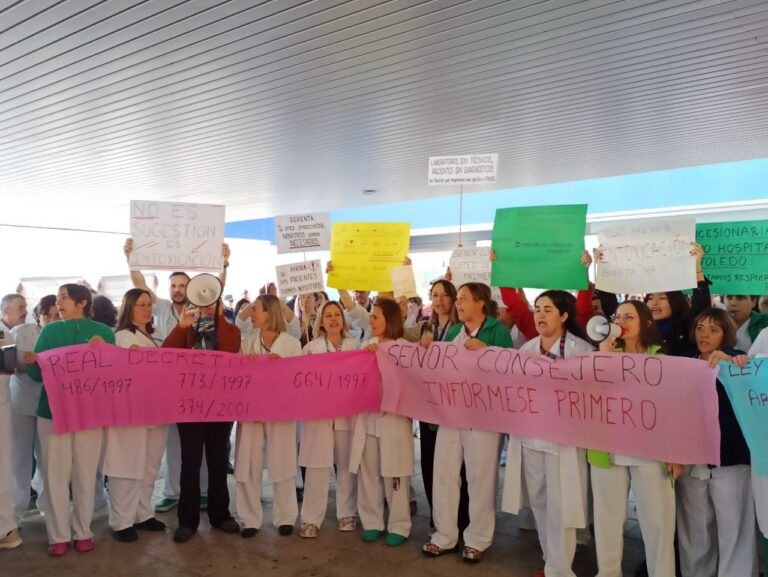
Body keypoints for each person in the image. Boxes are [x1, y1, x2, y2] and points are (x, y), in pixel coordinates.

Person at [124, 239, 230, 512]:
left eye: (182, 285)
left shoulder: (203, 307)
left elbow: (217, 286)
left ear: (191, 287)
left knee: (200, 446)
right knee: (173, 443)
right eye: (173, 286)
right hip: (166, 385)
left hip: (199, 387)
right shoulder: (159, 307)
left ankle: (203, 492)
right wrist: (131, 258)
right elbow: (139, 284)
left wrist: (224, 264)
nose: (177, 290)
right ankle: (172, 492)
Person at [501, 291, 594, 577]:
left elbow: (592, 395)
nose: (540, 315)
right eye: (537, 309)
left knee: (561, 504)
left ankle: (560, 569)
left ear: (564, 316)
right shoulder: (527, 350)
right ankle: (550, 560)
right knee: (539, 500)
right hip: (531, 438)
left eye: (548, 310)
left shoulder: (581, 351)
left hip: (563, 442)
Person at [588, 300, 681, 577]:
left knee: (658, 525)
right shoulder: (602, 354)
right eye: (617, 316)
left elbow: (674, 409)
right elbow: (588, 398)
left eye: (629, 316)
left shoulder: (662, 359)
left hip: (652, 453)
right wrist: (601, 360)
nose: (621, 321)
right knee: (607, 522)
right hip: (608, 451)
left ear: (646, 323)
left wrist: (675, 453)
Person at [423, 283, 513, 563]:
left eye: (463, 299)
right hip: (452, 414)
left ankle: (478, 539)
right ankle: (445, 535)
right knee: (444, 473)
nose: (458, 303)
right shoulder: (453, 332)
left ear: (481, 303)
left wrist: (488, 351)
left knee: (480, 478)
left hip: (483, 417)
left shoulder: (497, 331)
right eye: (458, 299)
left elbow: (510, 370)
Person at [24, 284, 116, 556]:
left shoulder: (104, 333)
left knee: (85, 474)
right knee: (54, 475)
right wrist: (32, 363)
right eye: (58, 298)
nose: (59, 303)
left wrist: (106, 352)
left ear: (82, 302)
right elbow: (37, 376)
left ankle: (83, 532)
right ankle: (58, 536)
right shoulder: (49, 331)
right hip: (52, 413)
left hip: (90, 413)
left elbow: (113, 374)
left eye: (64, 297)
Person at [675, 308, 757, 577]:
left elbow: (751, 388)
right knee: (695, 530)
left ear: (725, 333)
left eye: (713, 329)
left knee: (734, 529)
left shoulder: (737, 360)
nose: (704, 335)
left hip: (731, 458)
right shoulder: (684, 361)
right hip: (693, 459)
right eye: (700, 328)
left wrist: (733, 364)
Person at [162, 295, 241, 543]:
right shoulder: (185, 327)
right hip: (190, 406)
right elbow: (166, 353)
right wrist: (182, 326)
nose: (206, 306)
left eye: (211, 302)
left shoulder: (230, 327)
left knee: (218, 461)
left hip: (220, 405)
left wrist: (219, 318)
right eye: (201, 301)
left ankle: (220, 515)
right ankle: (187, 521)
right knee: (190, 463)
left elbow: (231, 347)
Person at [402, 280, 469, 533]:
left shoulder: (462, 328)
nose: (439, 300)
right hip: (429, 407)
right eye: (435, 295)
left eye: (444, 295)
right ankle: (437, 516)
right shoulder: (424, 327)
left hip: (455, 407)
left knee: (457, 467)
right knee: (430, 463)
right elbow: (397, 334)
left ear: (453, 298)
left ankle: (461, 519)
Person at [102, 289, 168, 543]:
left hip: (157, 410)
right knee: (126, 465)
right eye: (141, 304)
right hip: (130, 411)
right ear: (129, 307)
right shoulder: (121, 336)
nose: (147, 309)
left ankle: (143, 513)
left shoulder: (156, 336)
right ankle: (121, 520)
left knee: (150, 465)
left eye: (149, 304)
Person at [349, 298, 413, 547]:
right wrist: (364, 360)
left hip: (393, 422)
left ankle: (399, 525)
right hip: (368, 421)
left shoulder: (405, 349)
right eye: (371, 316)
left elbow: (411, 387)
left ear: (390, 320)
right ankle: (372, 522)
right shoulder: (366, 346)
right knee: (369, 474)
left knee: (395, 475)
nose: (371, 320)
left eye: (375, 317)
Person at [236, 294, 301, 537]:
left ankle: (285, 516)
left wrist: (281, 366)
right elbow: (237, 377)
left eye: (255, 309)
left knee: (283, 460)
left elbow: (299, 377)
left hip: (280, 409)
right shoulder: (247, 343)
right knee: (248, 463)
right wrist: (247, 364)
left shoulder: (291, 343)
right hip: (252, 410)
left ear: (269, 313)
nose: (251, 314)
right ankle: (249, 519)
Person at [298, 300, 359, 538]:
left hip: (346, 416)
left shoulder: (354, 345)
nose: (334, 319)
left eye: (337, 314)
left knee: (346, 466)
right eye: (328, 315)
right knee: (317, 467)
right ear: (321, 322)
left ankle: (347, 513)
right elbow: (301, 382)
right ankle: (311, 518)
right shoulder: (311, 347)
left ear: (343, 319)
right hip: (319, 418)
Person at [9, 295, 58, 526]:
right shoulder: (20, 331)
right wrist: (22, 364)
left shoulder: (61, 335)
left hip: (48, 405)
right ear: (38, 314)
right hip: (21, 402)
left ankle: (47, 507)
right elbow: (8, 362)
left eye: (57, 315)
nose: (52, 319)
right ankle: (15, 512)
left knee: (47, 459)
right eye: (47, 314)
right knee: (20, 458)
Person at [0, 293, 28, 550]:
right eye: (20, 307)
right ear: (6, 310)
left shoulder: (7, 335)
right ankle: (6, 527)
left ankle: (6, 526)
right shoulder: (5, 335)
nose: (24, 311)